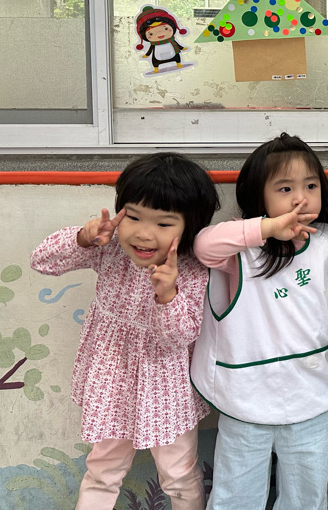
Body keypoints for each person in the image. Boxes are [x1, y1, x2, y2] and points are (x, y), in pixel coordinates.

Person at [30, 153, 220, 510]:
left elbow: (180, 337)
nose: (144, 233)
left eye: (164, 223)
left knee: (179, 475)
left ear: (190, 227)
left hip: (167, 389)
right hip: (112, 382)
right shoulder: (110, 250)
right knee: (102, 471)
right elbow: (41, 260)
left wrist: (167, 295)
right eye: (133, 216)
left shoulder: (193, 271)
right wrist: (83, 238)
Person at [189, 134, 328, 510]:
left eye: (310, 186)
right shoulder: (242, 247)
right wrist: (265, 229)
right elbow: (202, 246)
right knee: (236, 496)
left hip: (312, 391)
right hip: (247, 396)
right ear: (259, 195)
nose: (301, 198)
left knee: (306, 497)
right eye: (285, 188)